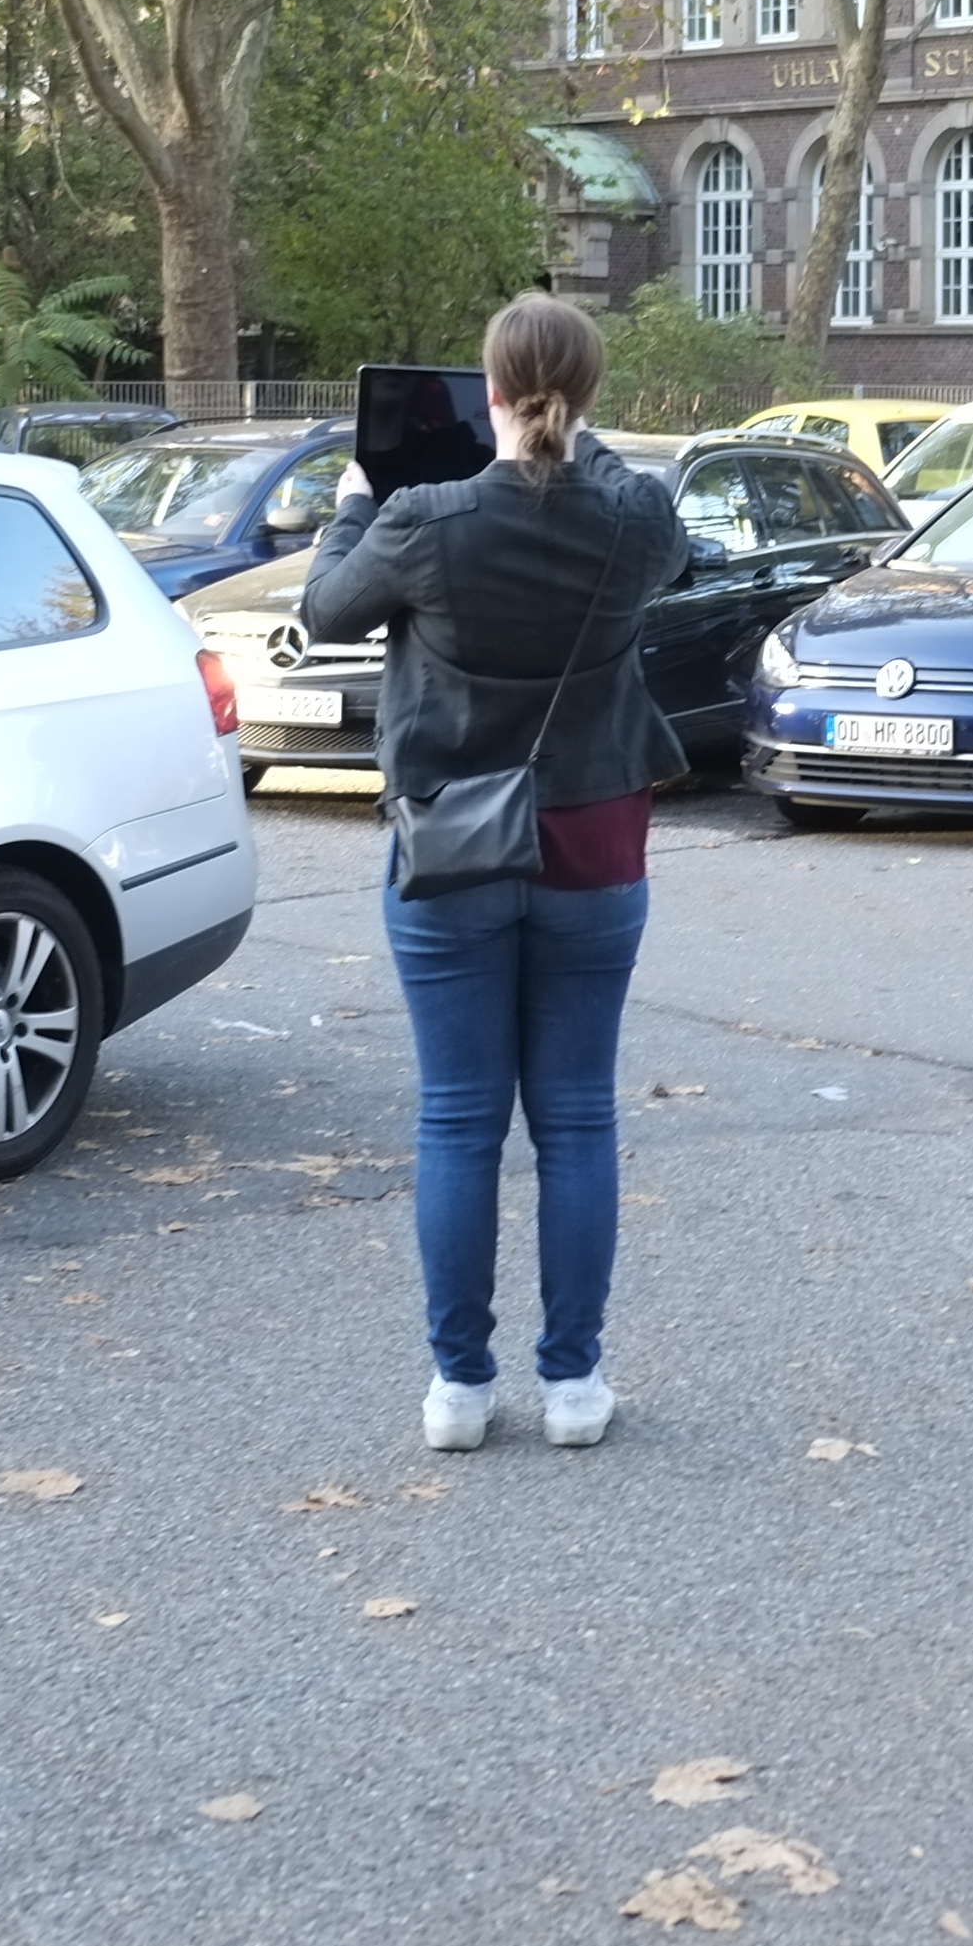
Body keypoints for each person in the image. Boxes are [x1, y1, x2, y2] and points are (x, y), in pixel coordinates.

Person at [301, 294, 689, 1448]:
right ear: (590, 392)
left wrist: (348, 506)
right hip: (592, 840)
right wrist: (567, 429)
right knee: (575, 1120)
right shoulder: (635, 516)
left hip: (449, 846)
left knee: (460, 1120)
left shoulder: (420, 515)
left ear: (491, 390)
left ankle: (459, 1392)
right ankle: (573, 1386)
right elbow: (636, 514)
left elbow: (327, 610)